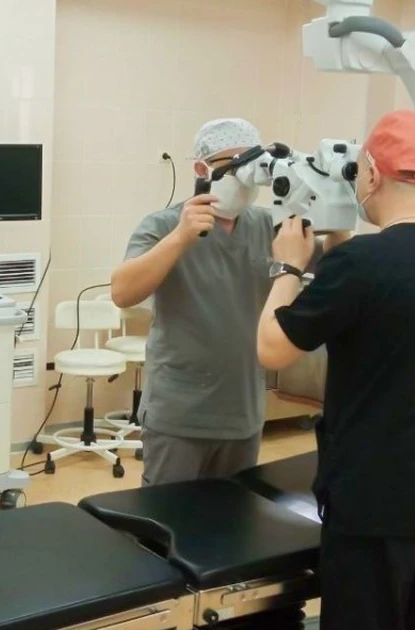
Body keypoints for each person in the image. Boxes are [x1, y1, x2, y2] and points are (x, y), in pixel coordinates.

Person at [255, 110, 415, 630]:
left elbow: (272, 349)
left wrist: (288, 265)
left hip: (375, 500)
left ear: (371, 173)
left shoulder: (361, 265)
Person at [109, 118, 276, 486]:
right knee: (167, 516)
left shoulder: (268, 226)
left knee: (234, 516)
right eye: (235, 166)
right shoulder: (163, 225)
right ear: (202, 171)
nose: (245, 178)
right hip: (179, 417)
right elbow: (122, 292)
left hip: (242, 414)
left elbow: (328, 266)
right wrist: (181, 237)